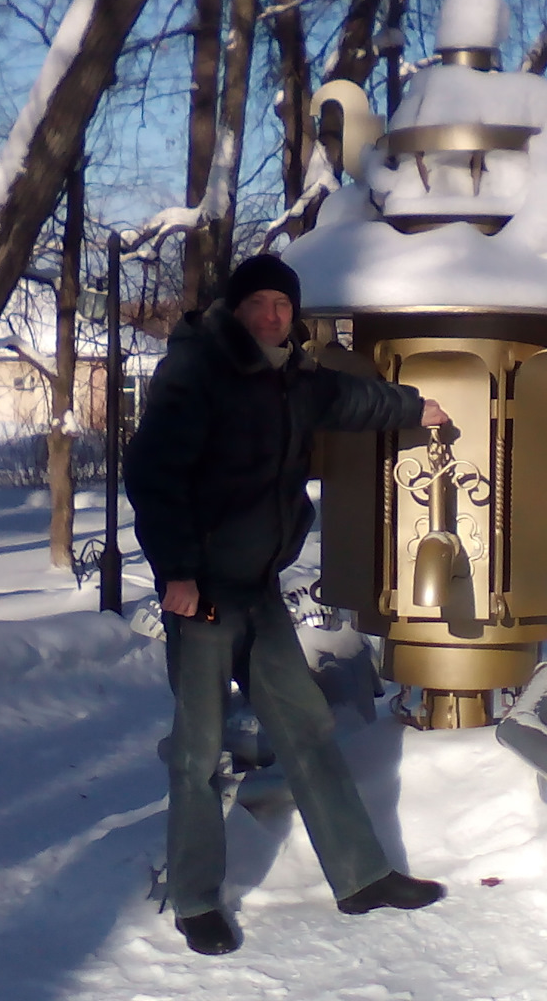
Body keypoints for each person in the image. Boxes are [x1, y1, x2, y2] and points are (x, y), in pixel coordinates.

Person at [125, 255, 451, 956]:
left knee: (306, 726)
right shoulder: (197, 372)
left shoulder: (294, 377)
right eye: (261, 303)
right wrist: (176, 572)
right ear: (236, 309)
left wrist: (414, 407)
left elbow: (348, 400)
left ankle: (361, 875)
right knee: (199, 748)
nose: (273, 315)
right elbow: (151, 474)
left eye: (283, 303)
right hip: (203, 591)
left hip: (259, 588)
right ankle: (195, 898)